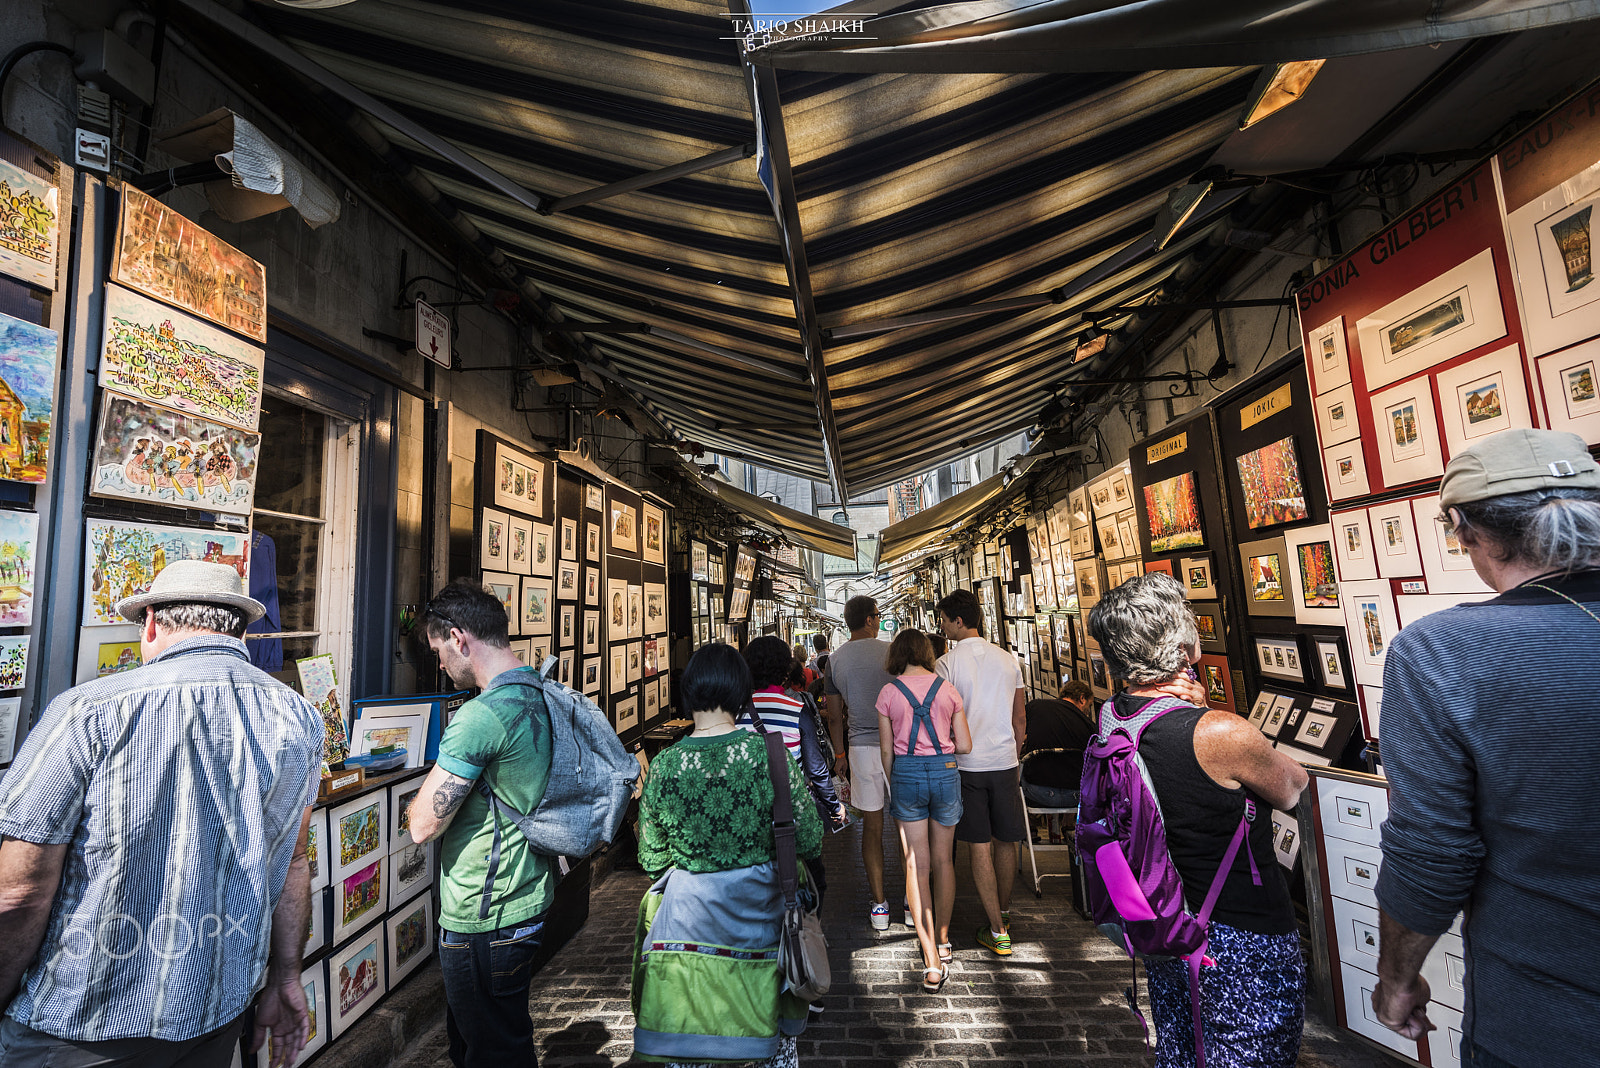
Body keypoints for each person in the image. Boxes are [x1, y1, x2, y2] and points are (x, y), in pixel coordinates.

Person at [0, 560, 323, 1068]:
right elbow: (294, 863)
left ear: (150, 622)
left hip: (82, 1024)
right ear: (240, 628)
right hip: (215, 1013)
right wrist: (285, 979)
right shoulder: (298, 714)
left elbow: (20, 892)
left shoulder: (86, 709)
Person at [1371, 429, 1600, 1068]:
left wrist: (1397, 980)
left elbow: (1432, 851)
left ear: (1464, 530)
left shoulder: (1444, 650)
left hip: (1549, 1015)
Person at [1088, 572, 1309, 1068]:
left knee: (1183, 1054)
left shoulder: (1112, 719)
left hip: (1165, 928)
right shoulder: (1219, 732)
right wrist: (1210, 715)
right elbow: (1293, 787)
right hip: (1241, 940)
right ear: (1181, 641)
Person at [635, 644, 823, 1068]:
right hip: (761, 930)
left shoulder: (664, 766)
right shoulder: (770, 755)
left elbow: (651, 858)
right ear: (742, 693)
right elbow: (809, 839)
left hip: (688, 942)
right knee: (765, 1048)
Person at [407, 580, 556, 1068]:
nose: (441, 664)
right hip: (528, 893)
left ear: (458, 638)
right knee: (502, 1037)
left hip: (483, 913)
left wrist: (416, 801)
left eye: (439, 651)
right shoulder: (539, 689)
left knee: (490, 1053)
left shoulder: (480, 716)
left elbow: (422, 825)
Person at [875, 629, 971, 991]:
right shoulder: (947, 689)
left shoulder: (888, 692)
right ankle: (944, 941)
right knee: (944, 861)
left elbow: (887, 752)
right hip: (946, 773)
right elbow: (964, 744)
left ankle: (930, 957)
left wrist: (894, 779)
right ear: (927, 653)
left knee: (917, 864)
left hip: (906, 773)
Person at [935, 588, 1027, 956]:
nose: (941, 627)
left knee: (979, 845)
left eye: (944, 619)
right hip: (1005, 762)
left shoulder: (947, 664)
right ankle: (1003, 912)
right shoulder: (1008, 660)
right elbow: (1020, 718)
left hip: (967, 765)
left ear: (959, 621)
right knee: (1006, 841)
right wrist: (1015, 753)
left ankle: (997, 928)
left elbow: (943, 719)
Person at [738, 637, 847, 899]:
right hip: (791, 811)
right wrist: (835, 806)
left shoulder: (736, 710)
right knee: (813, 884)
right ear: (786, 670)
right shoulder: (796, 708)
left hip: (747, 809)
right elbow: (816, 768)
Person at [824, 595, 901, 930]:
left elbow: (835, 717)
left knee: (872, 828)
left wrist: (839, 756)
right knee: (906, 827)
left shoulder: (835, 660)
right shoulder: (891, 652)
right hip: (899, 747)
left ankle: (880, 905)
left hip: (860, 749)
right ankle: (913, 904)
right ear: (870, 620)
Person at [1021, 680, 1096, 841]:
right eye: (1088, 706)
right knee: (1081, 773)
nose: (1087, 711)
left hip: (1037, 794)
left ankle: (1031, 828)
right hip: (1076, 798)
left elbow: (1020, 735)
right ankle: (1069, 826)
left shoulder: (1036, 707)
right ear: (1082, 698)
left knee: (1021, 768)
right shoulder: (1089, 726)